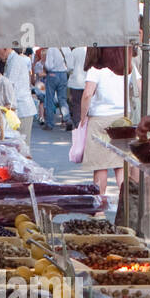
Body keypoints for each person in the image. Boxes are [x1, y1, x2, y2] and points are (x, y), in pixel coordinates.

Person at [77, 46, 129, 190]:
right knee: (121, 165)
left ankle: (100, 208)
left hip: (100, 118)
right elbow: (139, 86)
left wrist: (83, 117)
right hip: (123, 118)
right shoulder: (127, 65)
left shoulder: (96, 69)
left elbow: (87, 94)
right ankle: (124, 204)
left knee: (100, 166)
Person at [0, 46, 36, 155]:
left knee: (23, 146)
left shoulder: (15, 62)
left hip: (23, 108)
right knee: (17, 145)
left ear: (5, 48)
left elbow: (9, 84)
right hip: (17, 108)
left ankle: (27, 170)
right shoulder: (11, 61)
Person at [43, 46, 72, 129]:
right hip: (63, 74)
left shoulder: (51, 49)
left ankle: (49, 123)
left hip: (53, 74)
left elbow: (49, 66)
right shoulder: (67, 48)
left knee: (50, 99)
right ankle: (67, 119)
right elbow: (70, 66)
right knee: (62, 99)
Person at [67, 46, 88, 130]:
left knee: (76, 105)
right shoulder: (89, 50)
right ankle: (86, 124)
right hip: (88, 81)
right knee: (87, 104)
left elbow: (69, 67)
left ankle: (78, 125)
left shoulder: (74, 51)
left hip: (75, 82)